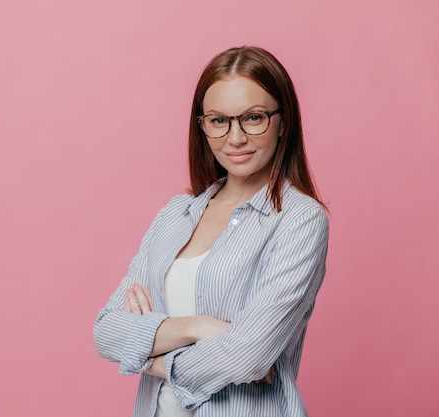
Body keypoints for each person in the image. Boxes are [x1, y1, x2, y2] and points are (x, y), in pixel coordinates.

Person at [93, 45, 329, 417]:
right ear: (201, 125)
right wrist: (200, 327)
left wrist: (149, 356)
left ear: (283, 122)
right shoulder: (176, 214)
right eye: (218, 120)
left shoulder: (300, 220)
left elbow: (247, 359)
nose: (235, 138)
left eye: (253, 117)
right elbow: (106, 332)